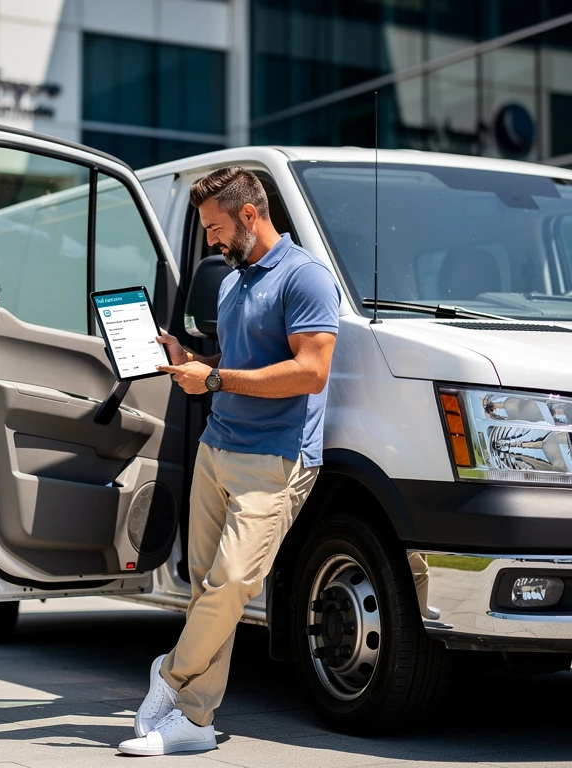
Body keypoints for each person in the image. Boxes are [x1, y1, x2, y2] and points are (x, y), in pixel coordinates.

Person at [117, 167, 341, 756]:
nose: (211, 242)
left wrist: (213, 377)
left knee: (234, 584)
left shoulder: (306, 278)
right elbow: (240, 362)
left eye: (216, 228)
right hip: (217, 450)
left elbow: (310, 371)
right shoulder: (231, 281)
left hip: (275, 459)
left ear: (249, 216)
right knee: (203, 591)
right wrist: (189, 356)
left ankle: (168, 675)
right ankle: (195, 722)